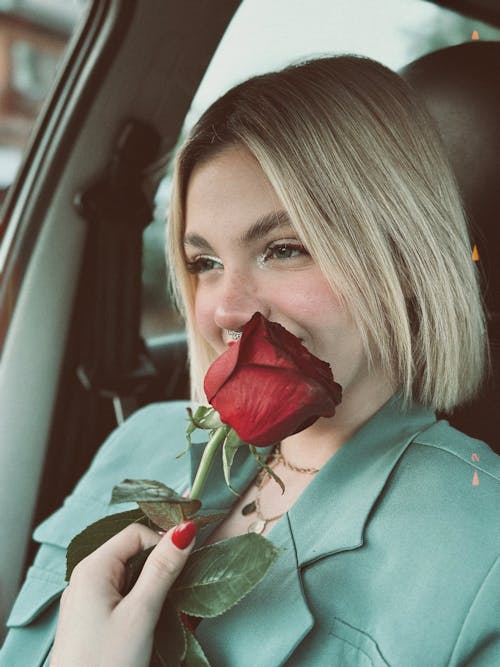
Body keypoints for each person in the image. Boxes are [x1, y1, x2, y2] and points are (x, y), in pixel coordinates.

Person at [2, 55, 499, 667]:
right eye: (204, 264)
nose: (227, 309)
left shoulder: (483, 550)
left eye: (284, 249)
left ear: (404, 254)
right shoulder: (137, 441)